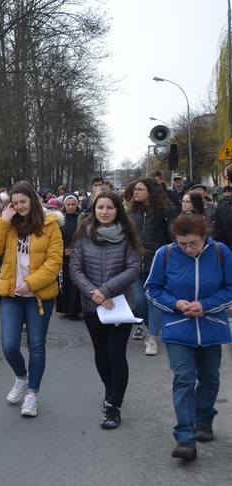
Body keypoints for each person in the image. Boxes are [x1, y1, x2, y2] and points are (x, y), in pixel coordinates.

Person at [145, 213, 232, 460]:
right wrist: (176, 304)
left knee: (210, 378)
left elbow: (230, 288)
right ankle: (185, 438)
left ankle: (204, 418)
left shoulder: (220, 252)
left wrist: (206, 305)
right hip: (178, 328)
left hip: (212, 327)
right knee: (183, 379)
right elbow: (152, 290)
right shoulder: (166, 254)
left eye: (193, 243)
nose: (187, 248)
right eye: (182, 243)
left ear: (204, 237)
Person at [0, 181, 63, 417]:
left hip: (38, 296)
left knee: (36, 346)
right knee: (9, 345)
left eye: (23, 202)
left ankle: (32, 395)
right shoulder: (7, 224)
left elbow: (55, 262)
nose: (19, 207)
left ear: (32, 200)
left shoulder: (50, 225)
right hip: (11, 294)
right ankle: (21, 377)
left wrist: (31, 282)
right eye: (14, 203)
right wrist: (3, 221)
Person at [69, 191, 141, 429]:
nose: (104, 212)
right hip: (93, 306)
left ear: (117, 210)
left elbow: (133, 269)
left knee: (116, 353)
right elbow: (75, 269)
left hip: (119, 305)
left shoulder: (128, 236)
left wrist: (106, 290)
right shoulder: (83, 235)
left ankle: (115, 406)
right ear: (94, 210)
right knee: (101, 354)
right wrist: (94, 293)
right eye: (100, 208)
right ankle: (110, 388)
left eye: (110, 208)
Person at [127, 177, 177, 354]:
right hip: (135, 265)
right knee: (139, 301)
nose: (136, 192)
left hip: (157, 266)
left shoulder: (167, 212)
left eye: (140, 189)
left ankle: (153, 338)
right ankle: (151, 328)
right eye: (135, 190)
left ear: (151, 191)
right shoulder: (131, 213)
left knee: (153, 301)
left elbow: (174, 239)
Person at [56, 195, 82, 320]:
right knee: (65, 282)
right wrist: (62, 250)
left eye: (73, 204)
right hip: (63, 254)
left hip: (77, 254)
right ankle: (65, 308)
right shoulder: (60, 219)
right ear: (64, 205)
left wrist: (74, 250)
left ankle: (75, 309)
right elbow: (55, 238)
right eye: (68, 204)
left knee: (76, 283)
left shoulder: (81, 218)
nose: (71, 207)